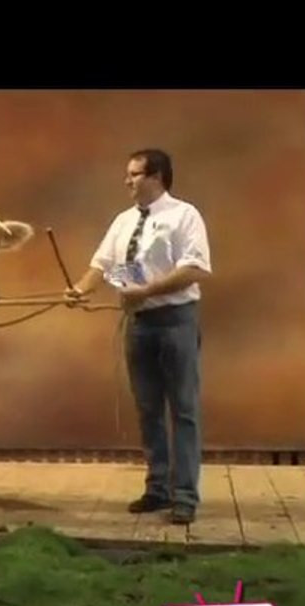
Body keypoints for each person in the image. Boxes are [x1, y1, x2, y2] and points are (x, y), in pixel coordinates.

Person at [65, 148, 211, 524]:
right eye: (127, 174)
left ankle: (185, 497)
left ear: (156, 176)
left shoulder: (184, 215)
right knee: (148, 410)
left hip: (176, 321)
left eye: (134, 174)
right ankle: (157, 489)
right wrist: (80, 289)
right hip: (140, 325)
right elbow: (102, 264)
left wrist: (145, 291)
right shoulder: (123, 221)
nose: (127, 181)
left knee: (183, 410)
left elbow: (195, 268)